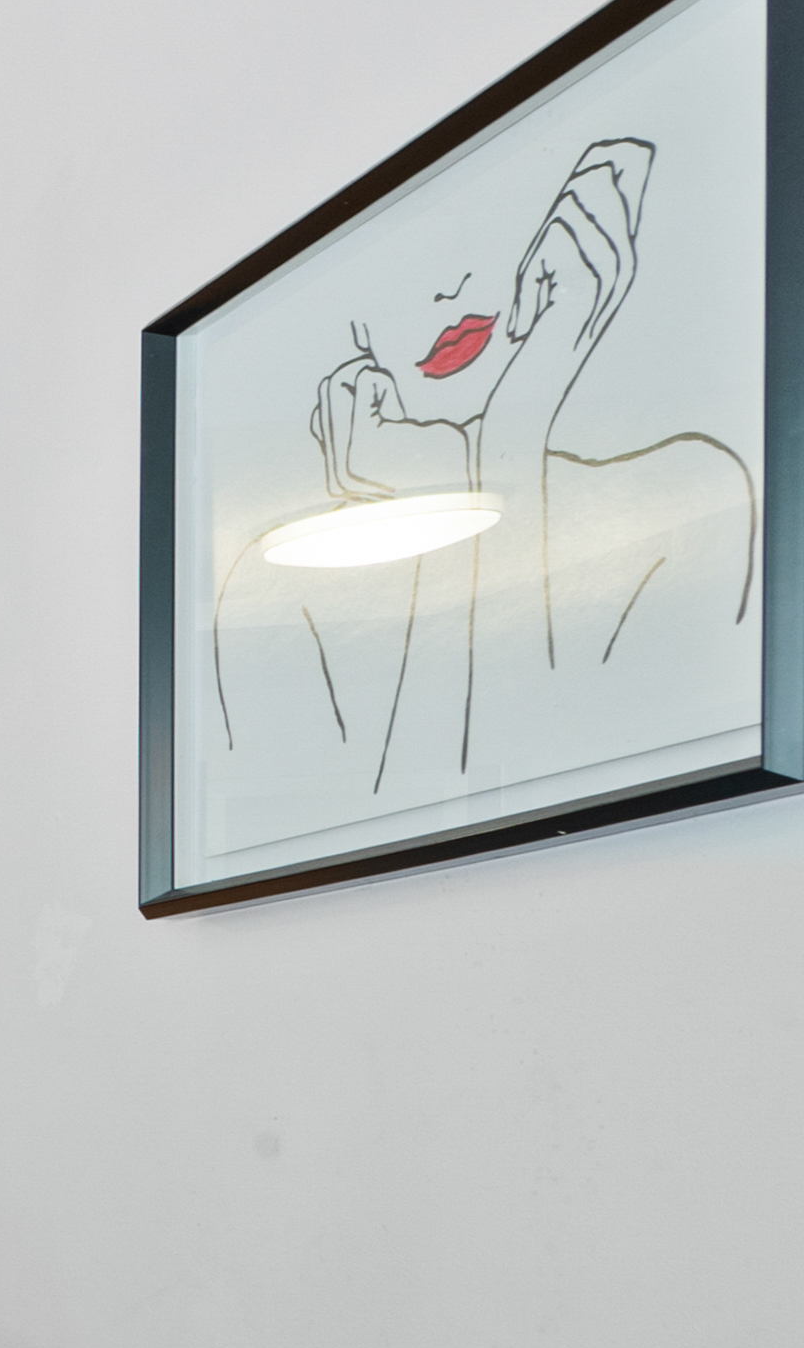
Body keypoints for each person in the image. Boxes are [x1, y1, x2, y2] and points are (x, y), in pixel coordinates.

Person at [210, 133, 758, 830]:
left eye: (478, 231)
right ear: (358, 335)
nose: (447, 288)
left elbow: (544, 799)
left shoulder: (690, 498)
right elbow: (399, 837)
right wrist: (464, 493)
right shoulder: (279, 584)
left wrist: (505, 453)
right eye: (391, 270)